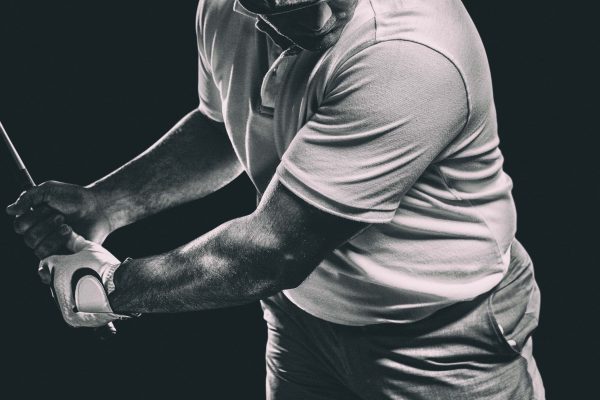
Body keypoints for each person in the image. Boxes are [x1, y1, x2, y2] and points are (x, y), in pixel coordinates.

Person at [6, 0, 545, 398]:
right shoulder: (222, 12)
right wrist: (107, 204)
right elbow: (226, 127)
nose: (321, 18)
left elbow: (273, 250)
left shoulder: (407, 52)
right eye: (281, 5)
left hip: (439, 339)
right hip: (303, 322)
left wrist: (106, 288)